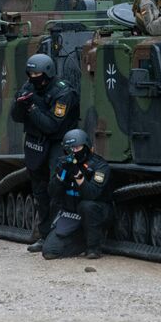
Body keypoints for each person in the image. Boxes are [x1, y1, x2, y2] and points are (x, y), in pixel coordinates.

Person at [10, 53, 80, 253]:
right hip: (35, 142)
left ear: (47, 73)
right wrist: (19, 104)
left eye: (37, 73)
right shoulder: (28, 87)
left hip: (57, 142)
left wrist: (31, 108)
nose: (34, 77)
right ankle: (44, 234)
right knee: (39, 190)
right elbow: (15, 117)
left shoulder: (62, 93)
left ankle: (59, 234)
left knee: (55, 187)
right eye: (30, 73)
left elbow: (51, 125)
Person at [43, 129, 112, 260]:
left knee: (87, 206)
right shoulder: (64, 163)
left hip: (97, 213)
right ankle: (81, 241)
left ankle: (93, 248)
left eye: (77, 147)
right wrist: (61, 174)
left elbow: (92, 194)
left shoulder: (100, 165)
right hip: (71, 214)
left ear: (86, 146)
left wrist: (77, 174)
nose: (74, 152)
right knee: (49, 251)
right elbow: (52, 193)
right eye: (70, 148)